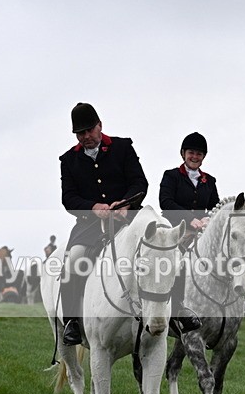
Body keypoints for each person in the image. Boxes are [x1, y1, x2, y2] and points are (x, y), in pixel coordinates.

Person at [59, 102, 149, 345]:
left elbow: (140, 183)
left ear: (100, 126)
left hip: (128, 218)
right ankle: (71, 322)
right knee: (74, 260)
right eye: (81, 133)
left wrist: (126, 203)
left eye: (90, 130)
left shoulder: (123, 147)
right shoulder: (68, 160)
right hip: (90, 225)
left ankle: (176, 312)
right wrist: (93, 208)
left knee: (163, 248)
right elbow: (68, 199)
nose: (86, 136)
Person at [159, 131, 219, 333]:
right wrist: (189, 219)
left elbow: (214, 207)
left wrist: (207, 218)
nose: (195, 157)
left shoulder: (209, 181)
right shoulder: (171, 176)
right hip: (176, 231)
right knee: (175, 264)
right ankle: (175, 308)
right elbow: (165, 203)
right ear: (183, 153)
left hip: (200, 233)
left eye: (199, 154)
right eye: (192, 152)